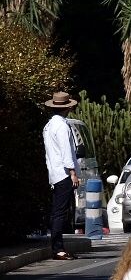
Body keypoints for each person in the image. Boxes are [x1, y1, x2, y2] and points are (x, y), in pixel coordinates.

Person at [41, 91, 79, 261]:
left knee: (58, 211)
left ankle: (58, 246)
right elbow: (66, 152)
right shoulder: (62, 126)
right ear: (67, 108)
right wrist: (72, 173)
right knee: (60, 212)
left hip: (55, 173)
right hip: (63, 174)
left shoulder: (49, 125)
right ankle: (58, 249)